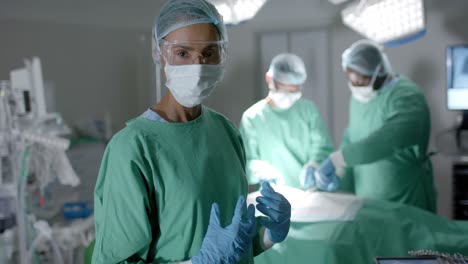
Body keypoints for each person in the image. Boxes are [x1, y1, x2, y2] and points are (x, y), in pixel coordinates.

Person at [92, 0, 291, 263]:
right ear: (159, 53)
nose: (197, 66)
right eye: (183, 53)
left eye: (209, 53)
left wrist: (269, 234)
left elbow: (232, 246)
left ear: (222, 54)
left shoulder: (225, 131)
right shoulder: (132, 149)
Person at [308, 39, 437, 212]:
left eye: (361, 80)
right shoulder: (360, 97)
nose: (355, 86)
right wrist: (340, 175)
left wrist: (337, 159)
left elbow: (388, 140)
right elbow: (352, 136)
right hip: (368, 200)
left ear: (379, 71)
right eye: (350, 78)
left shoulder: (407, 97)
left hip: (405, 199)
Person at [239, 53, 334, 190]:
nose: (289, 96)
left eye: (294, 91)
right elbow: (245, 163)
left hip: (309, 194)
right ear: (269, 79)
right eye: (284, 89)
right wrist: (259, 169)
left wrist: (314, 164)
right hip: (273, 198)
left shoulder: (308, 110)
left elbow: (323, 147)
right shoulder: (252, 117)